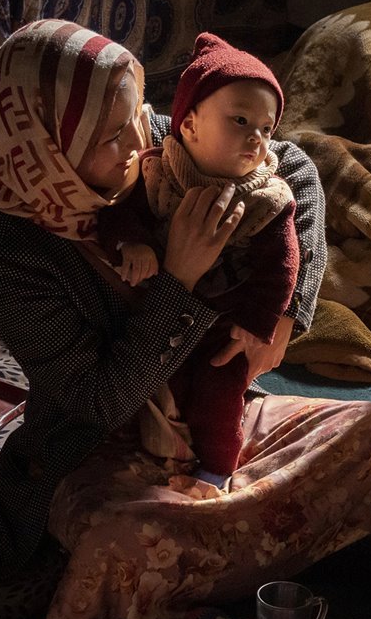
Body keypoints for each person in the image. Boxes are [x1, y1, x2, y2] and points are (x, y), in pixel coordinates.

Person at [0, 19, 371, 619]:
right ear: (47, 152)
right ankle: (249, 548)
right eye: (111, 134)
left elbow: (293, 167)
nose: (141, 136)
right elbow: (94, 402)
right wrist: (179, 282)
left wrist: (284, 314)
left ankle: (219, 550)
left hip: (218, 406)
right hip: (106, 449)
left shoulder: (160, 141)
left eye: (139, 110)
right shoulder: (11, 253)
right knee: (122, 547)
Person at [95, 32, 299, 485]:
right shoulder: (156, 171)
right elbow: (119, 215)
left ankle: (216, 472)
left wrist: (259, 320)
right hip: (156, 317)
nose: (257, 140)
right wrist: (133, 246)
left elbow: (283, 264)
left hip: (223, 328)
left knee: (217, 401)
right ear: (187, 126)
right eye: (241, 121)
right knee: (164, 391)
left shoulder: (268, 197)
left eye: (266, 129)